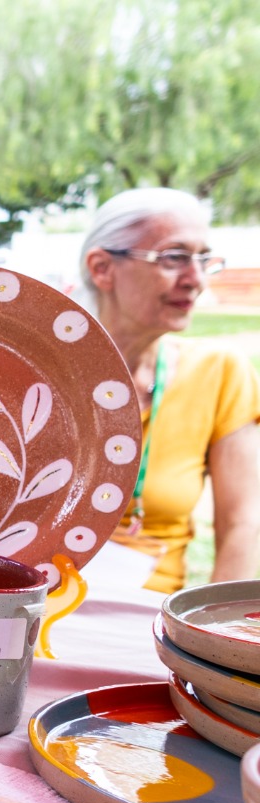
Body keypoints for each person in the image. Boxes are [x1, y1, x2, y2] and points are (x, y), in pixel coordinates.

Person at [78, 188, 260, 592]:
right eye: (174, 257)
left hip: (151, 625)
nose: (195, 280)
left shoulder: (219, 373)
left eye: (202, 259)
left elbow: (243, 525)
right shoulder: (38, 375)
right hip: (37, 612)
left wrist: (207, 640)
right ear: (103, 268)